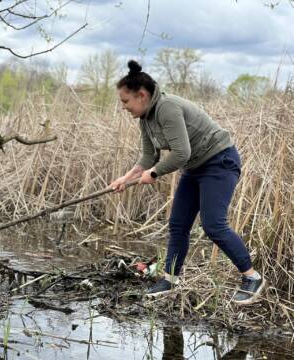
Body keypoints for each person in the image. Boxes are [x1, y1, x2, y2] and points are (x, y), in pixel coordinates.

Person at [110, 60, 265, 305]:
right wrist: (126, 178)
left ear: (142, 95)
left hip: (219, 161)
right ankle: (170, 279)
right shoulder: (145, 119)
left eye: (125, 101)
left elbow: (181, 153)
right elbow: (149, 157)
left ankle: (252, 278)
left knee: (213, 225)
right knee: (178, 224)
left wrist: (154, 174)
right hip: (195, 167)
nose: (123, 107)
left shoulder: (167, 108)